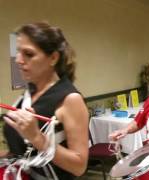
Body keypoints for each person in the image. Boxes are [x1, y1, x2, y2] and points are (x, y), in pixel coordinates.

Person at [1, 22, 88, 179]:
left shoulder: (70, 99)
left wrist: (37, 137)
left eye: (28, 54)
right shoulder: (29, 93)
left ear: (53, 58)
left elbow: (79, 166)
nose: (18, 60)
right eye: (18, 52)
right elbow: (24, 153)